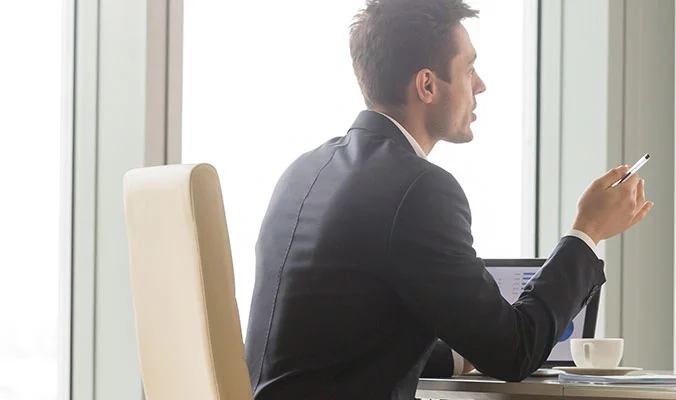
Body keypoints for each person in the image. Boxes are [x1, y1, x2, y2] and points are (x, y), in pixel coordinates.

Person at [242, 0, 654, 398]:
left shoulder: (302, 171)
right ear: (427, 85)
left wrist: (464, 352)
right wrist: (588, 230)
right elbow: (514, 351)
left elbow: (337, 351)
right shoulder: (418, 189)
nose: (480, 85)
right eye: (469, 68)